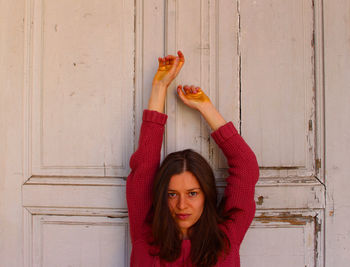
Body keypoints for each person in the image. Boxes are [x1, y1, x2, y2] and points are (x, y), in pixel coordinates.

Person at [126, 51, 259, 266]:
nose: (182, 205)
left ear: (206, 194)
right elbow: (144, 166)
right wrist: (159, 87)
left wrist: (205, 107)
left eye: (192, 193)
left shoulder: (226, 237)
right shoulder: (146, 233)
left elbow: (245, 166)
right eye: (171, 194)